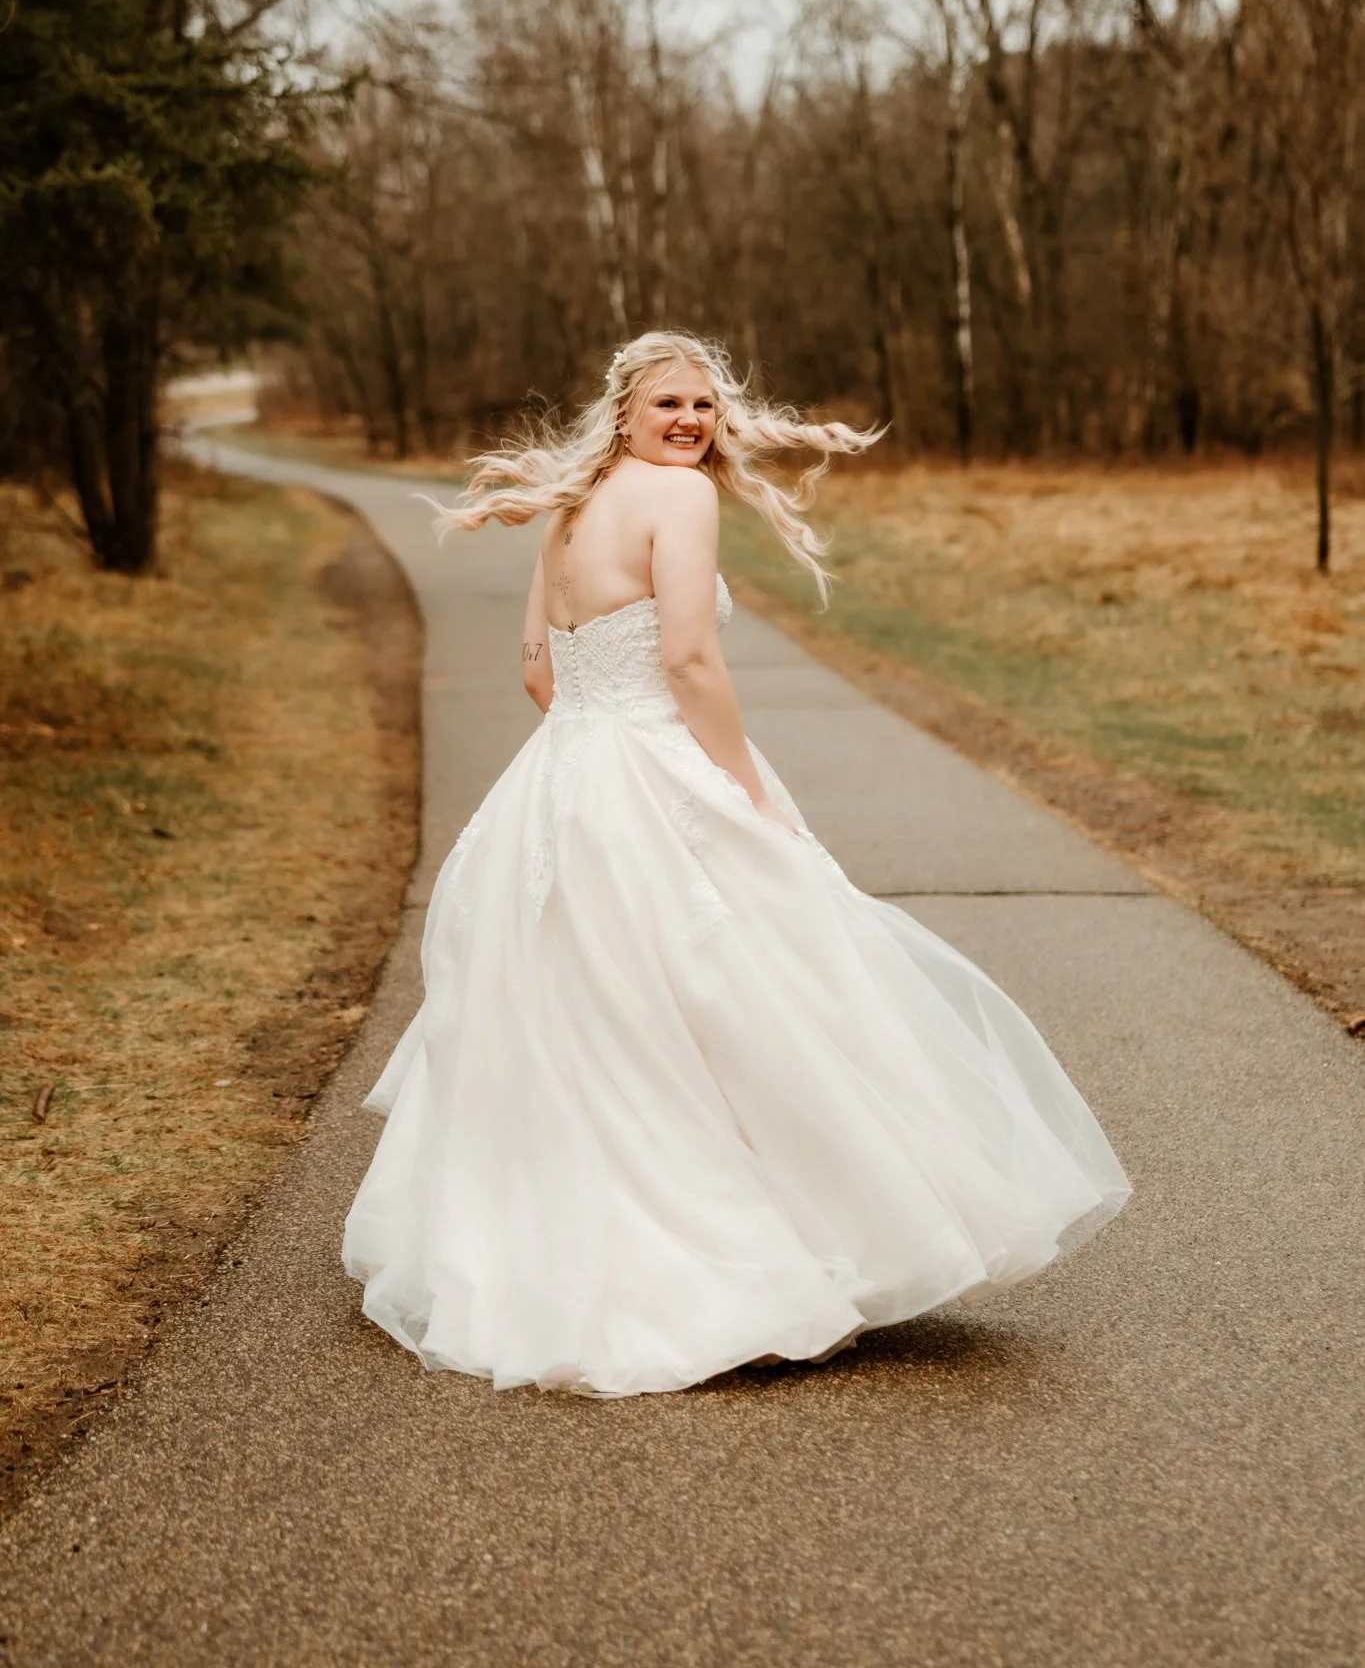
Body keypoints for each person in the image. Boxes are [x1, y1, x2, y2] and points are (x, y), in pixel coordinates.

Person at [342, 332, 1130, 1396]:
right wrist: (743, 790)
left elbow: (537, 670)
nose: (690, 421)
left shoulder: (575, 503)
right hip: (651, 765)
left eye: (704, 405)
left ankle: (557, 1251)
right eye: (669, 402)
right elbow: (687, 657)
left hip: (561, 776)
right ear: (625, 411)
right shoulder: (678, 498)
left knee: (596, 1011)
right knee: (734, 993)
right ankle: (738, 1259)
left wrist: (592, 735)